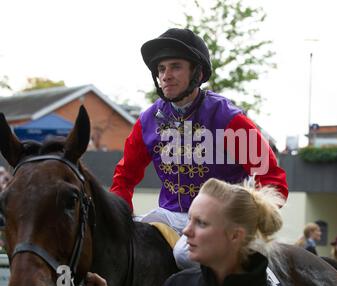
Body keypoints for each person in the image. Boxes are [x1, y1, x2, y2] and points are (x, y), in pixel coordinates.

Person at [110, 28, 288, 269]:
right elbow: (124, 177)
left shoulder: (228, 119)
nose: (166, 75)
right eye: (161, 69)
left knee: (185, 254)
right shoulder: (148, 121)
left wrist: (245, 222)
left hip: (224, 221)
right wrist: (117, 219)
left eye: (175, 66)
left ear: (197, 72)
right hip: (171, 216)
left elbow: (273, 182)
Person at [84, 178, 286, 286]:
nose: (186, 231)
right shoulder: (177, 285)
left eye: (202, 223)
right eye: (189, 219)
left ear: (236, 235)